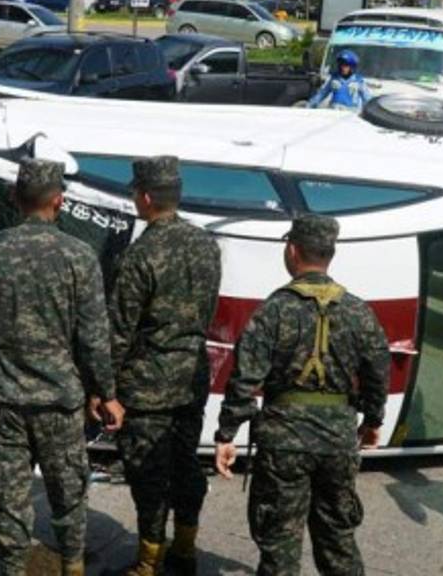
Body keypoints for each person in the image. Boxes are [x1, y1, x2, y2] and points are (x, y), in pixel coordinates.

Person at [0, 159, 122, 576]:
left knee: (9, 499)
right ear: (59, 201)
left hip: (5, 400)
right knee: (68, 494)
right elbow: (94, 336)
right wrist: (106, 393)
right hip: (60, 401)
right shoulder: (79, 256)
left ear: (15, 198)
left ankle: (12, 569)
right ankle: (73, 567)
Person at [214, 214, 390, 576]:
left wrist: (226, 434)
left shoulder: (274, 310)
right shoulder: (359, 311)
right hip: (337, 441)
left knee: (279, 545)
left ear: (292, 250)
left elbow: (245, 377)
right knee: (338, 541)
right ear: (330, 253)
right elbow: (378, 373)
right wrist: (373, 421)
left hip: (283, 443)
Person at [109, 156, 222, 576]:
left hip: (148, 384)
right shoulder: (206, 243)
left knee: (149, 475)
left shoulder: (142, 254)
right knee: (186, 463)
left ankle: (148, 563)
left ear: (148, 196)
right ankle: (186, 550)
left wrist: (103, 390)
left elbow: (119, 330)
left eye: (135, 193)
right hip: (191, 376)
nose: (134, 199)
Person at [307, 51, 372, 111]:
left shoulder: (358, 81)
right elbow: (322, 94)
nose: (343, 68)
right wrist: (309, 106)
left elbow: (368, 99)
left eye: (346, 65)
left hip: (350, 114)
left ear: (352, 67)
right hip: (334, 111)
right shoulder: (334, 79)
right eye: (341, 65)